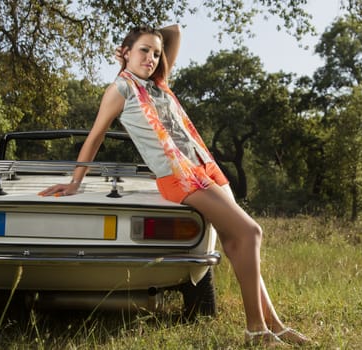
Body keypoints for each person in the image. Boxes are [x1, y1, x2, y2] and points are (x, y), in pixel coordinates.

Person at [39, 25, 310, 347]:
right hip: (177, 176)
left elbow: (176, 31)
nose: (151, 57)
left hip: (205, 167)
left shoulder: (157, 84)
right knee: (251, 232)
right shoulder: (120, 89)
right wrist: (75, 180)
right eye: (143, 50)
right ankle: (255, 330)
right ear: (125, 51)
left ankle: (274, 325)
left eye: (156, 53)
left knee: (238, 242)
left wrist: (149, 41)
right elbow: (96, 135)